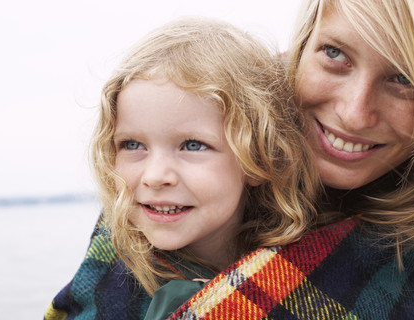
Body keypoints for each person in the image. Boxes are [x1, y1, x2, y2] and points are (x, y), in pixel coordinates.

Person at [48, 0, 414, 318]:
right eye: (334, 53)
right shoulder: (211, 114)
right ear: (303, 42)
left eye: (404, 79)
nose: (354, 113)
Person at [44, 17, 319, 319]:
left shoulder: (313, 266)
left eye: (192, 145)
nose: (155, 176)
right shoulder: (110, 274)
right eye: (133, 145)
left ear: (258, 158)